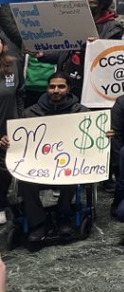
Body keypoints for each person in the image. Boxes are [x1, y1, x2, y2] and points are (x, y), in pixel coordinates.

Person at [9, 73, 87, 240]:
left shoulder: (81, 112)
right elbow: (20, 140)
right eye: (52, 87)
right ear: (47, 89)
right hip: (39, 165)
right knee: (24, 180)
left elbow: (91, 137)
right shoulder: (30, 113)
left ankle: (63, 216)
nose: (56, 90)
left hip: (68, 164)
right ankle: (39, 222)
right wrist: (8, 141)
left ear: (68, 89)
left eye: (61, 87)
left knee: (71, 176)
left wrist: (104, 134)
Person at [0, 37, 22, 225]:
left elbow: (20, 93)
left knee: (6, 167)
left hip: (9, 126)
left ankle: (2, 201)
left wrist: (20, 123)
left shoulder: (13, 66)